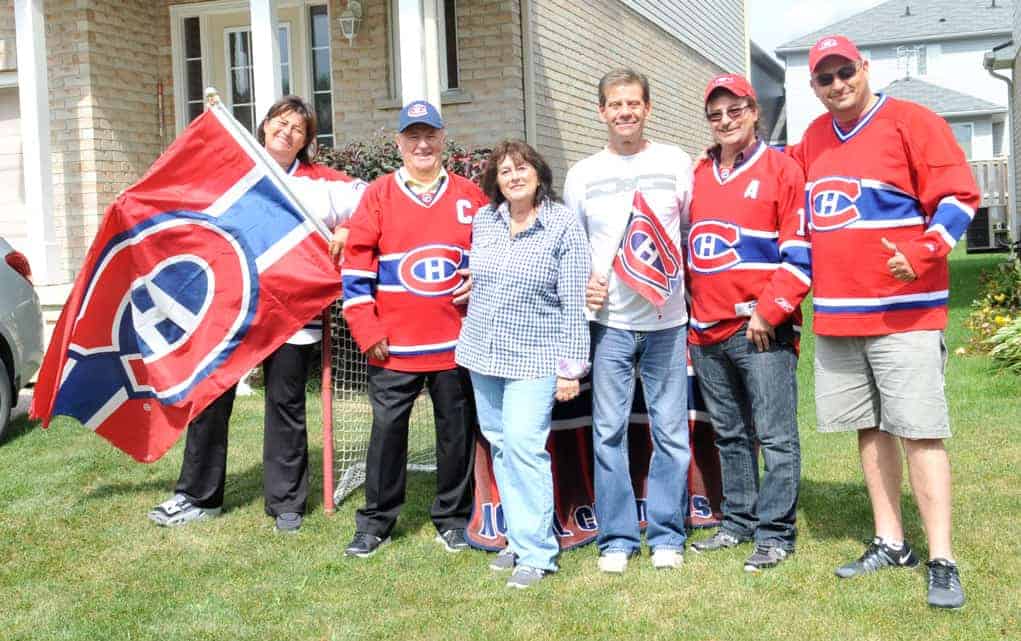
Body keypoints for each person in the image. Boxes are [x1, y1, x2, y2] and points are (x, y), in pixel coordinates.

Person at [789, 35, 979, 609]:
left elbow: (958, 196)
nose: (837, 84)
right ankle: (890, 540)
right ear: (814, 86)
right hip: (840, 316)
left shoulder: (912, 121)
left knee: (919, 430)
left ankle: (941, 556)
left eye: (845, 71)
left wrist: (924, 251)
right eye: (825, 78)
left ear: (864, 68)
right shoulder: (813, 139)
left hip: (906, 313)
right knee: (869, 429)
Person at [148, 95, 365, 532]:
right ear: (264, 125)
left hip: (290, 316)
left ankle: (286, 502)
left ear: (306, 141)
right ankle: (197, 496)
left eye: (298, 129)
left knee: (285, 405)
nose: (287, 132)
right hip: (232, 312)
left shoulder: (321, 183)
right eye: (280, 123)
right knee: (210, 399)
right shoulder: (232, 172)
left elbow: (374, 204)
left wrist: (347, 228)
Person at [563, 68, 694, 573]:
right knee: (609, 432)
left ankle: (666, 536)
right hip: (610, 323)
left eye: (633, 103)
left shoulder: (674, 163)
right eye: (615, 104)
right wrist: (583, 288)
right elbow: (573, 249)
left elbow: (688, 229)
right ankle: (616, 538)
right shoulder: (583, 174)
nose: (624, 112)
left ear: (648, 108)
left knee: (669, 433)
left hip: (667, 321)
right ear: (601, 112)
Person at [341, 100, 485, 558]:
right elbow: (356, 267)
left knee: (456, 433)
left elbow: (492, 255)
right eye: (412, 136)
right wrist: (366, 328)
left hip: (455, 345)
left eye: (430, 135)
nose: (422, 144)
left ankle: (453, 517)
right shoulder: (379, 195)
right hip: (393, 346)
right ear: (399, 143)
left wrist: (478, 279)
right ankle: (377, 521)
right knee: (387, 433)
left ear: (443, 139)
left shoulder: (470, 195)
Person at [686, 74, 809, 572]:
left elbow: (801, 252)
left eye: (734, 111)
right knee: (730, 434)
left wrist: (770, 310)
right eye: (715, 115)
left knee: (776, 435)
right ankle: (738, 521)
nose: (725, 122)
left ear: (754, 111)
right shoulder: (697, 173)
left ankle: (776, 532)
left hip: (759, 328)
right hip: (705, 329)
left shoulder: (782, 170)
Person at [455, 140, 590, 589]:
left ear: (538, 174)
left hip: (535, 356)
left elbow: (573, 301)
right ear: (495, 180)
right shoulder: (484, 221)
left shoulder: (562, 224)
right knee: (499, 444)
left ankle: (538, 554)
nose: (514, 176)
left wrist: (571, 368)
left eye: (522, 168)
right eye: (505, 170)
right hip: (483, 353)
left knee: (524, 446)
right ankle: (518, 537)